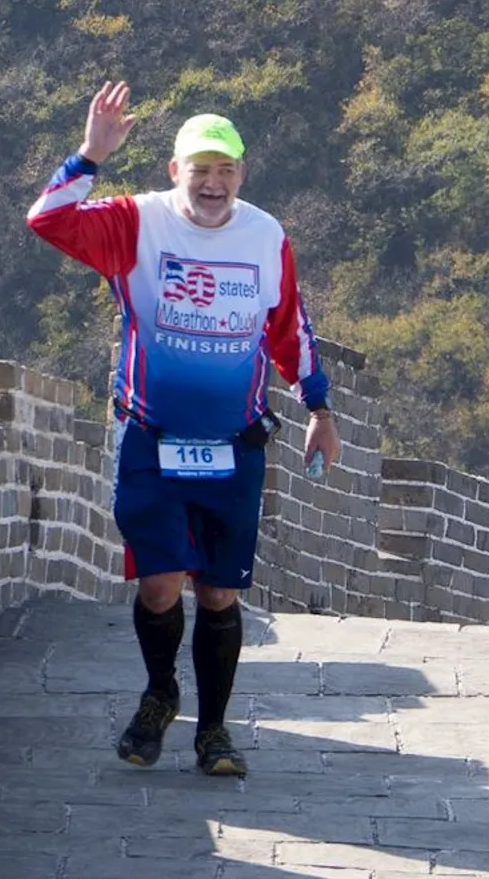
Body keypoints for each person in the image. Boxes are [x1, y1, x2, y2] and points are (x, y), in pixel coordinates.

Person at [27, 80, 340, 777]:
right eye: (200, 169)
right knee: (160, 584)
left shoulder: (265, 236)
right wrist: (90, 155)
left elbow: (288, 327)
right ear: (176, 171)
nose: (212, 183)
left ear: (242, 174)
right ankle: (161, 693)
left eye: (225, 170)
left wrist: (318, 408)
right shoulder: (138, 222)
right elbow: (48, 220)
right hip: (152, 436)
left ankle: (215, 731)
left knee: (219, 592)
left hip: (235, 443)